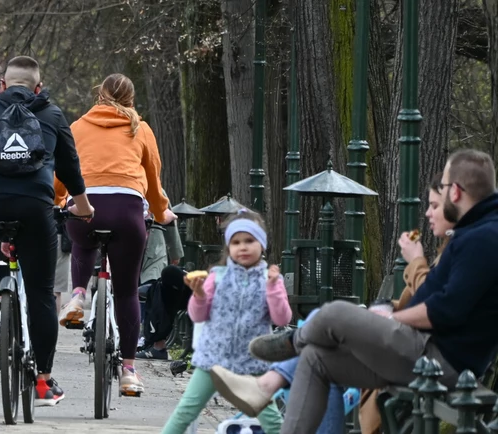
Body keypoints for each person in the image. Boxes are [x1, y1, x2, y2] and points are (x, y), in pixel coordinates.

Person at [244, 149, 498, 434]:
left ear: (455, 193)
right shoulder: (473, 232)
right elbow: (432, 298)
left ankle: (292, 340)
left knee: (334, 313)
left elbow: (444, 310)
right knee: (316, 358)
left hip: (440, 361)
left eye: (446, 183)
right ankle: (292, 356)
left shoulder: (483, 237)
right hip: (426, 352)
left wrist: (389, 321)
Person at [209, 181, 457, 434]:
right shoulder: (447, 250)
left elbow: (434, 304)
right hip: (410, 345)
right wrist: (386, 309)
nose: (428, 213)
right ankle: (272, 376)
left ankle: (288, 349)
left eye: (435, 205)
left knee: (328, 316)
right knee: (315, 354)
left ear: (456, 200)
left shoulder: (465, 247)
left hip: (427, 357)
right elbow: (421, 300)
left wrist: (415, 261)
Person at [0, 55, 94, 408]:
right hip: (34, 206)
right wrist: (83, 206)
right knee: (41, 294)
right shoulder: (52, 113)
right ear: (38, 87)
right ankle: (44, 381)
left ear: (2, 86)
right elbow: (70, 166)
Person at [60, 73, 175, 396]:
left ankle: (79, 294)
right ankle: (128, 370)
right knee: (125, 292)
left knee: (83, 240)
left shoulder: (78, 125)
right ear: (131, 98)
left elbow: (63, 169)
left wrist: (58, 200)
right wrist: (162, 210)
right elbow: (152, 176)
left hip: (85, 203)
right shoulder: (141, 127)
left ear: (100, 95)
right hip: (127, 209)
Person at [161, 209, 288, 434]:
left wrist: (273, 289)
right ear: (228, 248)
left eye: (249, 240)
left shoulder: (270, 279)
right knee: (185, 411)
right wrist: (199, 296)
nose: (243, 247)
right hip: (213, 361)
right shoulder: (216, 276)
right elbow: (197, 316)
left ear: (262, 244)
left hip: (253, 363)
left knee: (272, 421)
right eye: (236, 242)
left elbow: (282, 318)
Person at [138, 219, 185, 359]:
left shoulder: (157, 195)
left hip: (153, 250)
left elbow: (167, 217)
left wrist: (175, 251)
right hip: (127, 245)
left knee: (154, 293)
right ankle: (135, 337)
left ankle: (154, 342)